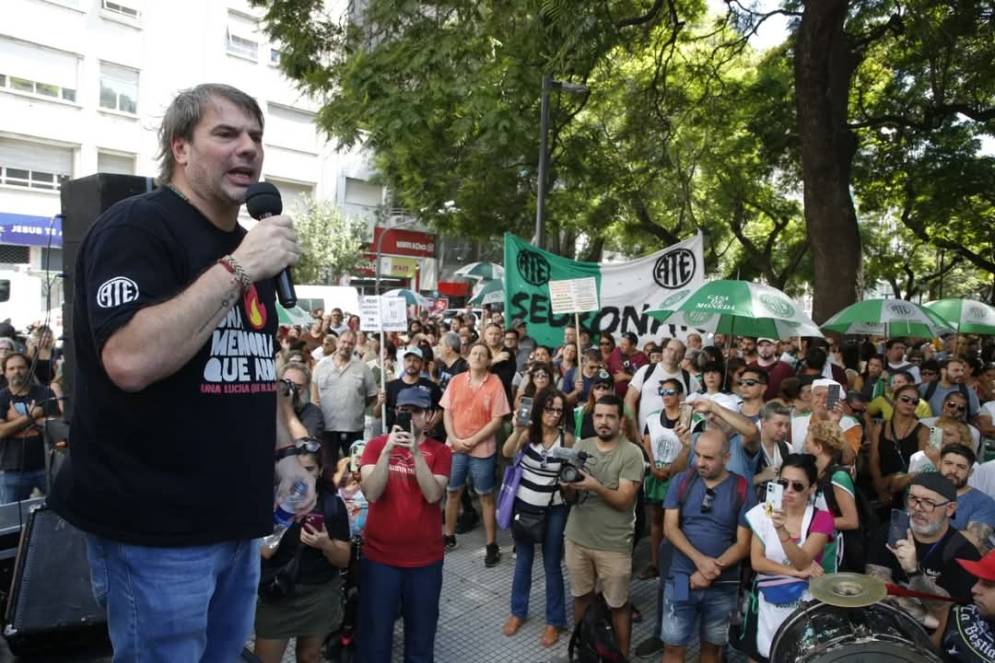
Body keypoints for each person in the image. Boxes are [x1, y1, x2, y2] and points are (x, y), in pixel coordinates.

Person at [48, 83, 305, 661]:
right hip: (156, 532)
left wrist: (285, 452)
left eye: (256, 137)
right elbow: (130, 360)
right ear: (180, 147)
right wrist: (239, 268)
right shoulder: (136, 229)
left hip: (235, 524)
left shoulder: (250, 247)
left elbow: (251, 371)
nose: (248, 148)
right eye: (227, 134)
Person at [358, 387, 451, 663]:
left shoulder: (441, 452)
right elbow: (371, 493)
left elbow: (434, 495)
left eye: (417, 411)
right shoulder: (376, 446)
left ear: (429, 416)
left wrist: (416, 454)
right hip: (380, 559)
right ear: (395, 412)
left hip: (424, 561)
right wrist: (388, 451)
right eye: (405, 411)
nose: (411, 417)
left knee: (421, 640)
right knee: (376, 638)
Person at [561, 394, 644, 659]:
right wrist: (566, 485)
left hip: (614, 545)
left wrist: (594, 485)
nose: (603, 422)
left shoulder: (632, 453)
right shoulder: (581, 444)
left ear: (620, 421)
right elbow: (570, 498)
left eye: (610, 416)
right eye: (598, 416)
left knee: (618, 605)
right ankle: (585, 652)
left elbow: (623, 500)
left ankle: (620, 657)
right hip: (577, 537)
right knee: (581, 597)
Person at [662, 430, 755, 663]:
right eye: (697, 455)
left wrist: (710, 571)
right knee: (673, 645)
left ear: (726, 457)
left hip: (724, 584)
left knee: (712, 648)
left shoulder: (742, 488)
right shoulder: (681, 481)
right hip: (682, 578)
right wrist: (701, 562)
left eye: (708, 458)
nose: (700, 463)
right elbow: (669, 528)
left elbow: (744, 544)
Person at [253, 448, 351, 663]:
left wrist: (325, 544)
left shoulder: (332, 505)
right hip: (277, 595)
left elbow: (343, 560)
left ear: (320, 470)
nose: (302, 477)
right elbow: (264, 552)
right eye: (296, 470)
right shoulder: (272, 502)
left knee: (310, 656)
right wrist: (284, 517)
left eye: (309, 469)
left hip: (318, 592)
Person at [501, 388, 574, 647]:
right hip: (525, 505)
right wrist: (518, 431)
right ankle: (517, 612)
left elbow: (570, 477)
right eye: (549, 409)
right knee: (523, 559)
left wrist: (570, 481)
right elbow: (507, 452)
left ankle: (554, 620)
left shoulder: (567, 440)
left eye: (558, 410)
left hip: (553, 508)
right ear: (539, 408)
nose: (554, 415)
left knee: (552, 563)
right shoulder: (529, 434)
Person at [745, 454, 833, 660]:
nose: (789, 491)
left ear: (812, 488)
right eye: (784, 483)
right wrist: (795, 572)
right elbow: (757, 562)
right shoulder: (763, 512)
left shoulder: (822, 519)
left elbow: (802, 560)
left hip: (805, 607)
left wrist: (781, 531)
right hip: (766, 603)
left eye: (798, 486)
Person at [440, 342, 511, 564]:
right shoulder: (455, 381)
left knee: (486, 496)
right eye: (474, 353)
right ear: (467, 357)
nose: (478, 356)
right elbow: (447, 413)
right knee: (452, 492)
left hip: (482, 449)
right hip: (456, 446)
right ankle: (449, 536)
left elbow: (497, 420)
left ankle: (491, 543)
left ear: (489, 360)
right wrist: (453, 438)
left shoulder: (495, 383)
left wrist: (472, 440)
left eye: (483, 354)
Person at [640, 378, 693, 579]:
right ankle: (655, 563)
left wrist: (671, 469)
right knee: (656, 519)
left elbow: (690, 449)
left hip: (679, 476)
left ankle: (676, 563)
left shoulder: (689, 420)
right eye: (662, 392)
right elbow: (646, 444)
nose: (666, 396)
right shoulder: (653, 418)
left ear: (680, 395)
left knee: (678, 522)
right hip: (657, 474)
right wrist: (653, 466)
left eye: (670, 392)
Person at [313, 329, 378, 467]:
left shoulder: (362, 368)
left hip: (354, 429)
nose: (346, 346)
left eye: (350, 343)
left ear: (354, 346)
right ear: (337, 342)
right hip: (327, 428)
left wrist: (356, 405)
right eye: (343, 342)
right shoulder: (321, 365)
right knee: (327, 469)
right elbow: (314, 395)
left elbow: (372, 395)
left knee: (355, 468)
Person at [0, 352, 57, 502]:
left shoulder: (45, 393)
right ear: (4, 372)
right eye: (11, 368)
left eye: (21, 367)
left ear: (29, 369)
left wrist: (13, 421)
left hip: (46, 466)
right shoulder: (1, 398)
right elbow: (1, 431)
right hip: (12, 469)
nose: (16, 371)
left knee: (61, 514)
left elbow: (55, 425)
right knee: (12, 520)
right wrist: (32, 417)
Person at [805, 420, 861, 572]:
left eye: (808, 442)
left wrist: (814, 522)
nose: (805, 446)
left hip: (836, 552)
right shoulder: (817, 474)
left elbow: (851, 521)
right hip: (821, 547)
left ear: (819, 447)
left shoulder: (838, 477)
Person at [869, 383, 932, 508]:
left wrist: (896, 482)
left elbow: (920, 465)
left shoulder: (924, 430)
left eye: (914, 402)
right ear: (895, 401)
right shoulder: (880, 428)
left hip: (907, 488)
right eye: (905, 399)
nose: (909, 404)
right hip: (881, 485)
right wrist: (880, 488)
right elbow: (873, 459)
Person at [625, 338, 698, 436]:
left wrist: (683, 432)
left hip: (675, 440)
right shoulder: (646, 371)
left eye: (678, 352)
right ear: (663, 350)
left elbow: (692, 407)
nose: (672, 354)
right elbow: (629, 400)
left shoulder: (689, 379)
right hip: (644, 437)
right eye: (670, 349)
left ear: (682, 356)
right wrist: (634, 431)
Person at [933, 550, 995, 661]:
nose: (974, 589)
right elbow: (920, 656)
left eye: (988, 584)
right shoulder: (957, 615)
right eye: (977, 580)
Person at [940, 444, 995, 551]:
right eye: (948, 463)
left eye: (961, 467)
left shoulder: (984, 502)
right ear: (939, 464)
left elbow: (974, 541)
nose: (953, 470)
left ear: (970, 472)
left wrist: (928, 531)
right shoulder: (924, 491)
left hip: (962, 562)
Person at [606, 331, 648, 398]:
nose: (621, 346)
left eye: (624, 344)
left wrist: (626, 377)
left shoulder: (642, 358)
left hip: (633, 398)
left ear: (633, 346)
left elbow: (645, 380)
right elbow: (607, 366)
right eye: (621, 343)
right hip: (615, 396)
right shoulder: (616, 351)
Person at [750, 337, 794, 402]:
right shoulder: (750, 367)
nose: (764, 349)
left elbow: (791, 393)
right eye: (761, 345)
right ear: (757, 347)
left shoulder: (785, 368)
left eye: (768, 345)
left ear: (775, 347)